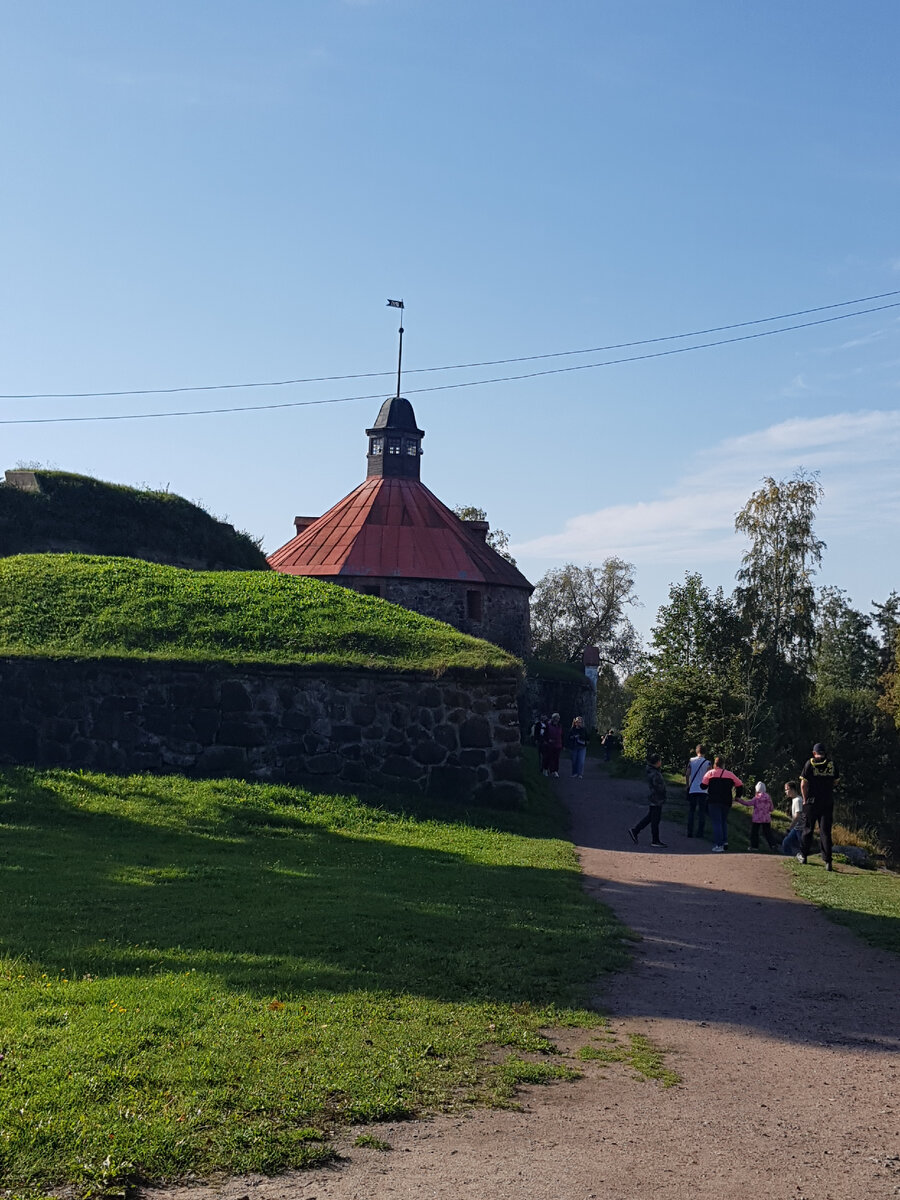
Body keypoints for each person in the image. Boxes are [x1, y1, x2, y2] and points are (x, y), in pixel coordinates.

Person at [797, 742, 840, 871]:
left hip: (811, 801)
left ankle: (803, 855)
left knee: (808, 829)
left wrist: (805, 799)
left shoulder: (810, 764)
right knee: (825, 831)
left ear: (814, 753)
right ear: (825, 752)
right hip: (827, 801)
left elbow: (803, 784)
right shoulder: (832, 764)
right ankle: (827, 861)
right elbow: (836, 781)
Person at [700, 757, 744, 853]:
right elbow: (740, 784)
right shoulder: (730, 774)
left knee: (716, 823)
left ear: (714, 764)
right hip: (726, 801)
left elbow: (703, 786)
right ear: (723, 764)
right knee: (723, 821)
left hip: (713, 800)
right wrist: (737, 796)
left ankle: (718, 844)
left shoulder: (710, 773)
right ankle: (724, 841)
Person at [627, 753, 668, 848]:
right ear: (657, 762)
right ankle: (655, 840)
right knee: (655, 820)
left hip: (653, 798)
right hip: (656, 798)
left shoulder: (651, 771)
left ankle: (635, 830)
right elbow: (659, 787)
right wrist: (663, 792)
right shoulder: (655, 773)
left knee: (650, 817)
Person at [739, 781, 778, 850]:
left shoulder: (757, 797)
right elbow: (771, 809)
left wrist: (740, 800)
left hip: (757, 818)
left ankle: (754, 846)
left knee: (754, 832)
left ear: (757, 789)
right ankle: (773, 845)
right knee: (768, 832)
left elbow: (748, 803)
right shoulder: (768, 798)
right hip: (766, 818)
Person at [685, 742, 711, 838]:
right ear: (705, 752)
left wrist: (687, 785)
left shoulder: (691, 761)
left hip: (693, 789)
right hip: (703, 790)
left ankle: (689, 832)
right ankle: (700, 833)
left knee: (691, 811)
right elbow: (709, 776)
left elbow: (687, 774)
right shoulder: (707, 763)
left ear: (696, 751)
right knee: (701, 812)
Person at [780, 781, 805, 857]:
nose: (786, 791)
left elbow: (797, 816)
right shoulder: (794, 800)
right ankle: (790, 857)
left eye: (787, 789)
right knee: (786, 842)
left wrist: (790, 828)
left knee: (802, 846)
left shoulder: (798, 800)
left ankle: (802, 858)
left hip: (801, 828)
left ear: (792, 789)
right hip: (797, 828)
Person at [541, 712, 564, 778]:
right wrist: (547, 740)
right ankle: (545, 769)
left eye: (558, 718)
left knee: (556, 758)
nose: (557, 719)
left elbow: (562, 735)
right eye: (556, 718)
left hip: (558, 744)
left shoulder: (560, 726)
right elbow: (545, 734)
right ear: (553, 718)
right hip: (550, 744)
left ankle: (555, 771)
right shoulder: (548, 725)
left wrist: (563, 744)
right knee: (548, 757)